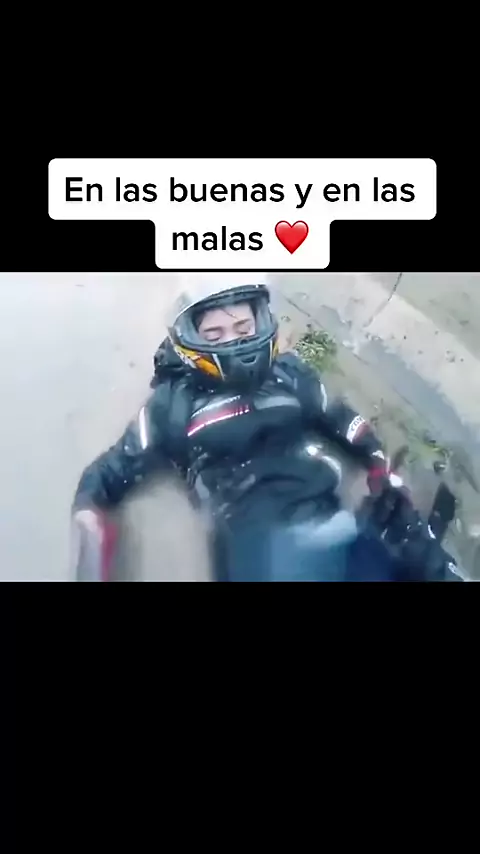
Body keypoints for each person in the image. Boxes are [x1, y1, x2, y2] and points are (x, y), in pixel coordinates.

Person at [71, 280, 460, 582]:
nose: (233, 341)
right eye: (214, 335)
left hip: (327, 515)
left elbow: (342, 419)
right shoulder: (174, 403)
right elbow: (110, 471)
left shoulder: (288, 374)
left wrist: (377, 464)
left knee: (412, 548)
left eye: (243, 327)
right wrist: (90, 522)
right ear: (190, 339)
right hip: (253, 536)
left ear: (260, 321)